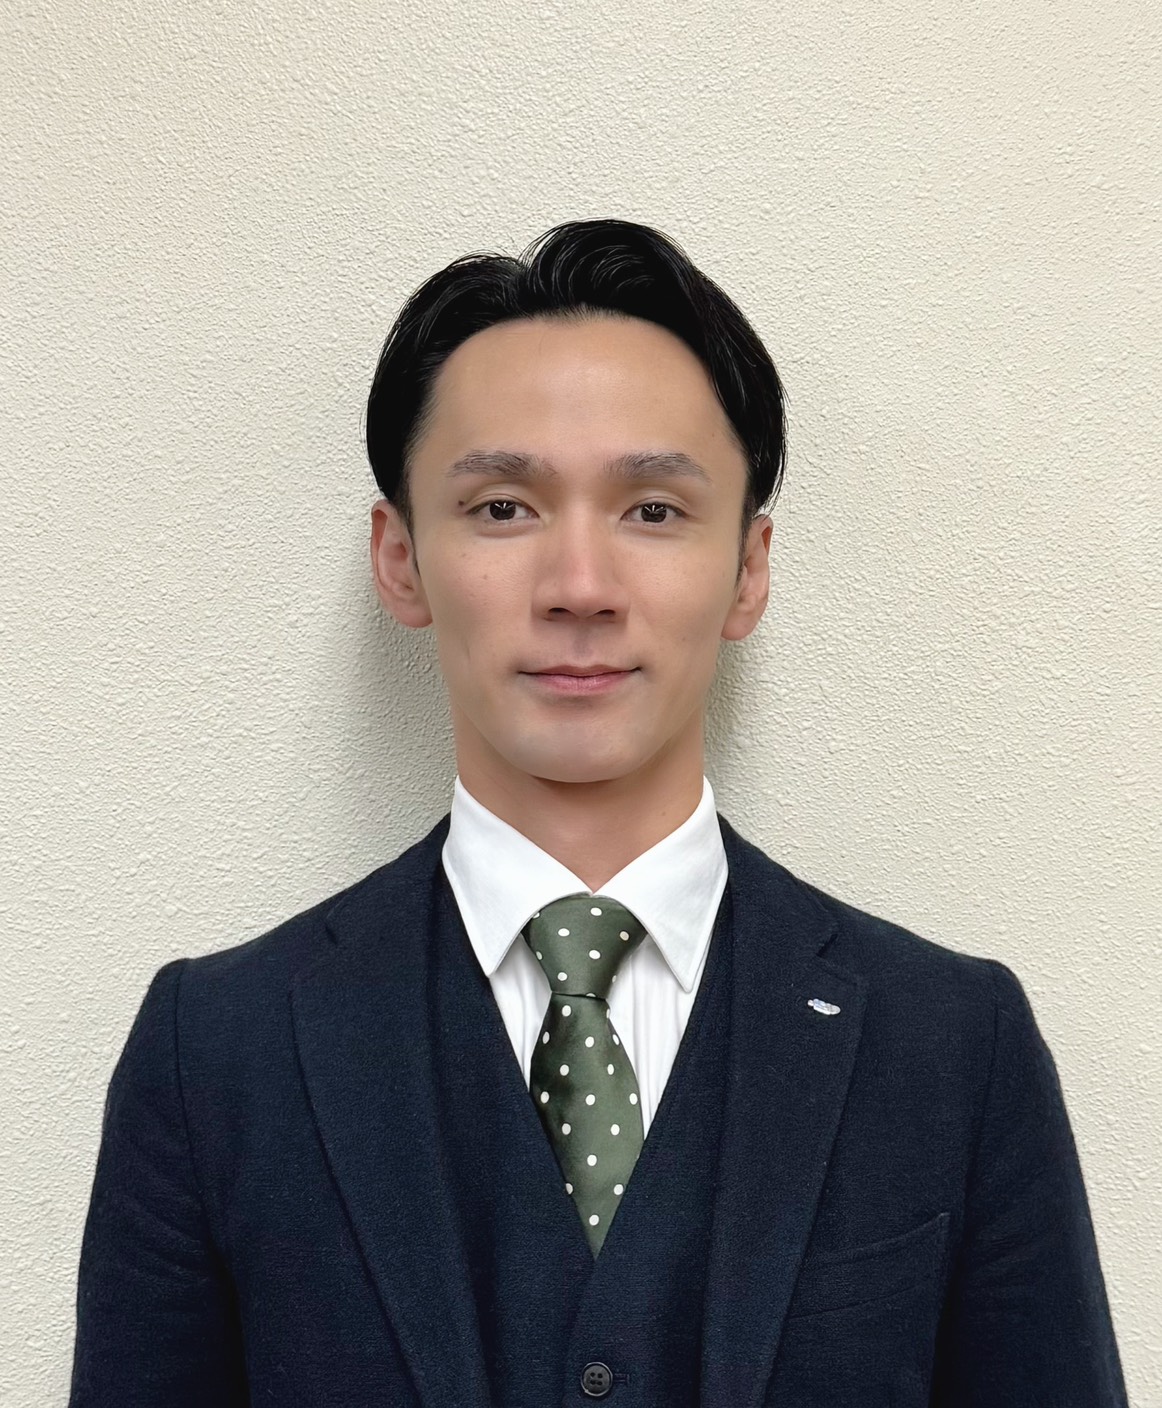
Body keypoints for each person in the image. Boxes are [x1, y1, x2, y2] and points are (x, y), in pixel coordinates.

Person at [69, 218, 1127, 1407]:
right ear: (400, 558)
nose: (580, 587)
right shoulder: (215, 1052)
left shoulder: (953, 1044)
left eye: (654, 511)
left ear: (750, 568)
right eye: (502, 508)